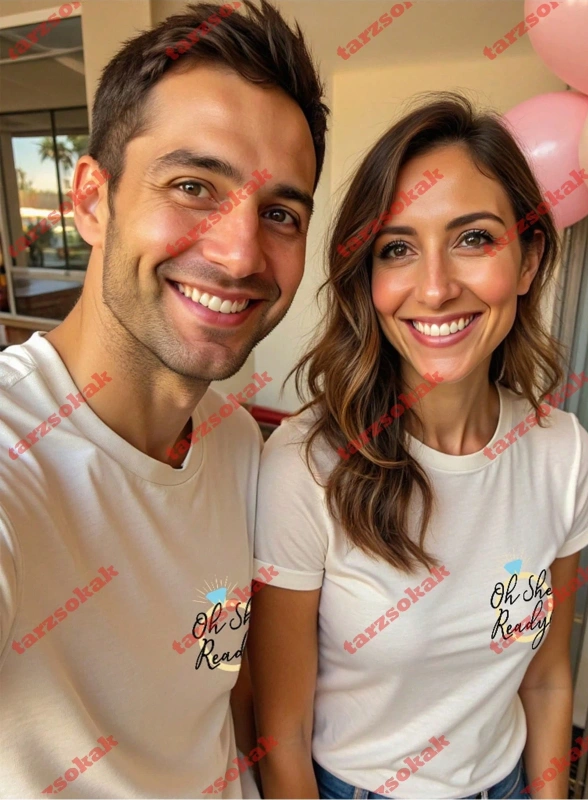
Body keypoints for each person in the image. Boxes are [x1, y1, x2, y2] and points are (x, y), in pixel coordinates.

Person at [0, 1, 327, 797]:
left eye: (279, 214)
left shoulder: (238, 446)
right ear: (91, 199)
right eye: (192, 186)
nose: (241, 254)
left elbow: (228, 692)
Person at [249, 93, 588, 799]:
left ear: (528, 261)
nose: (435, 289)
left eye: (473, 239)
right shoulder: (306, 466)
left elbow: (546, 677)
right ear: (368, 277)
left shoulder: (564, 453)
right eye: (398, 249)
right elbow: (281, 732)